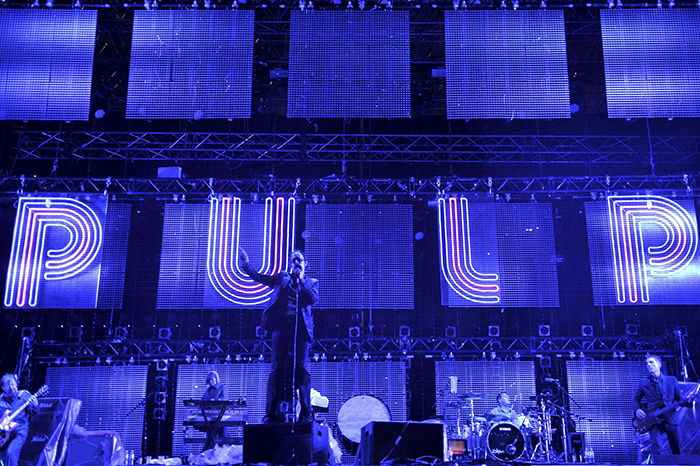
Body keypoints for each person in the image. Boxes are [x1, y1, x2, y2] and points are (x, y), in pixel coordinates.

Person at [239, 248, 319, 423]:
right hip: (281, 328)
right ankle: (271, 413)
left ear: (305, 264)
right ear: (290, 264)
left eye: (299, 260)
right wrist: (246, 265)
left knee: (302, 369)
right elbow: (261, 278)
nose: (296, 263)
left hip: (301, 331)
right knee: (276, 369)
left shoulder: (312, 282)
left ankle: (305, 414)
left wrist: (301, 280)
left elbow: (313, 299)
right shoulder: (282, 278)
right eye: (293, 260)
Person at [633, 355, 688, 456]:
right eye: (647, 363)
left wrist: (689, 401)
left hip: (671, 418)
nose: (648, 365)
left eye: (651, 362)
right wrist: (637, 410)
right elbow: (636, 399)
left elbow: (679, 399)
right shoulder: (643, 382)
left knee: (677, 449)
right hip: (653, 420)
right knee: (657, 450)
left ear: (659, 364)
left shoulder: (671, 380)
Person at [0, 374, 38, 466]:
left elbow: (33, 413)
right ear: (3, 387)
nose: (12, 388)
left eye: (14, 385)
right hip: (4, 432)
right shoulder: (0, 400)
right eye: (9, 386)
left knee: (11, 452)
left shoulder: (24, 395)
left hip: (19, 429)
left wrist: (35, 406)